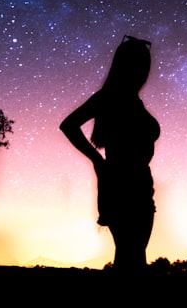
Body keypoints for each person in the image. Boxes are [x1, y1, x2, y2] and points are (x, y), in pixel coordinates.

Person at [60, 35, 160, 271]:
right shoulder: (109, 97)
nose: (144, 70)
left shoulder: (134, 102)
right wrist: (97, 160)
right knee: (131, 258)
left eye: (145, 64)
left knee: (133, 258)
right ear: (125, 66)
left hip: (142, 188)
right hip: (121, 187)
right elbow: (69, 125)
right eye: (139, 64)